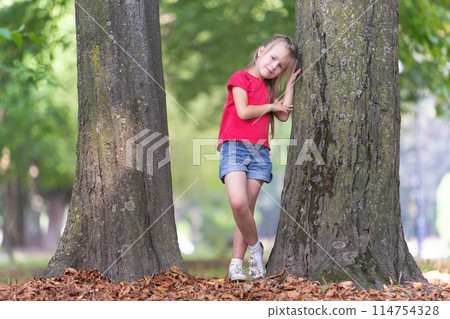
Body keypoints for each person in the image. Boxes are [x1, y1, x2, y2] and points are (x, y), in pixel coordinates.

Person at [217, 34, 301, 281]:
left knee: (247, 211)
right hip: (234, 148)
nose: (273, 67)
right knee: (238, 204)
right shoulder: (240, 78)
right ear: (261, 51)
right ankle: (256, 249)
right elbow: (243, 112)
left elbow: (284, 116)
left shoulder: (269, 88)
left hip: (260, 153)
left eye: (280, 67)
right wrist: (273, 106)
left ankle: (236, 265)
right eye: (273, 58)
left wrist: (290, 85)